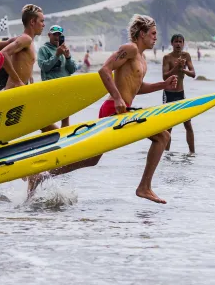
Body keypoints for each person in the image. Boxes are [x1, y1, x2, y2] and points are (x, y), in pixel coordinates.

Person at [27, 14, 178, 204]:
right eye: (153, 33)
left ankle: (42, 175)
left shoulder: (142, 58)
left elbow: (135, 88)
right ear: (141, 33)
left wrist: (163, 85)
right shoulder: (129, 49)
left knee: (92, 159)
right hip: (113, 110)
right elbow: (104, 70)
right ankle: (144, 187)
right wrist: (116, 98)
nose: (156, 37)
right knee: (163, 136)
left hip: (123, 109)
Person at [37, 24, 78, 130]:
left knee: (65, 118)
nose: (57, 37)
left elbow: (72, 69)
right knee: (46, 120)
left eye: (59, 35)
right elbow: (44, 66)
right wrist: (56, 55)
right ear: (49, 35)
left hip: (64, 88)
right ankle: (53, 134)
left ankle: (64, 137)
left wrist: (68, 57)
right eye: (54, 34)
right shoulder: (43, 49)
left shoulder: (64, 49)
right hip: (51, 88)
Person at [162, 34, 196, 153]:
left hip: (181, 94)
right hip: (169, 94)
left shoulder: (186, 56)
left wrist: (183, 69)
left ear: (183, 43)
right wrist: (175, 67)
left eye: (180, 42)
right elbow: (164, 77)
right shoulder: (167, 58)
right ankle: (166, 154)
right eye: (176, 42)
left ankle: (192, 153)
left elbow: (193, 73)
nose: (178, 44)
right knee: (168, 128)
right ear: (172, 44)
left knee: (188, 125)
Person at [0, 4, 46, 89]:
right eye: (41, 21)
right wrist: (18, 81)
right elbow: (3, 53)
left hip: (16, 92)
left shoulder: (23, 39)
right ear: (32, 22)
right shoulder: (26, 39)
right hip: (13, 93)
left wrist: (29, 74)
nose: (44, 25)